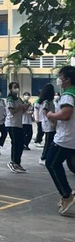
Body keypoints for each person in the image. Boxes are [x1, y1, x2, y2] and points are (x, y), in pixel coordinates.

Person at [45, 66, 75, 215]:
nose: (59, 79)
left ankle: (67, 195)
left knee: (51, 162)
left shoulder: (68, 95)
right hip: (71, 137)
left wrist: (51, 115)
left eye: (60, 76)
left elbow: (66, 114)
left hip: (66, 138)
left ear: (67, 79)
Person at [5, 82, 28, 173]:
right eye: (15, 87)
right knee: (15, 143)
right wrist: (21, 106)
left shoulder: (19, 99)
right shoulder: (10, 99)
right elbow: (12, 111)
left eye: (17, 87)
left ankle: (18, 162)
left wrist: (25, 107)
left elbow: (21, 111)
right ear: (10, 89)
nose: (17, 89)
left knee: (20, 144)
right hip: (12, 124)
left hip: (18, 124)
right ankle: (13, 162)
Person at [38, 83, 56, 166]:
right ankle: (43, 157)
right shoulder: (46, 102)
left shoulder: (50, 101)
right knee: (48, 142)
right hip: (48, 123)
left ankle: (48, 156)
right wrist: (51, 122)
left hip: (51, 123)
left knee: (51, 141)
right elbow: (45, 112)